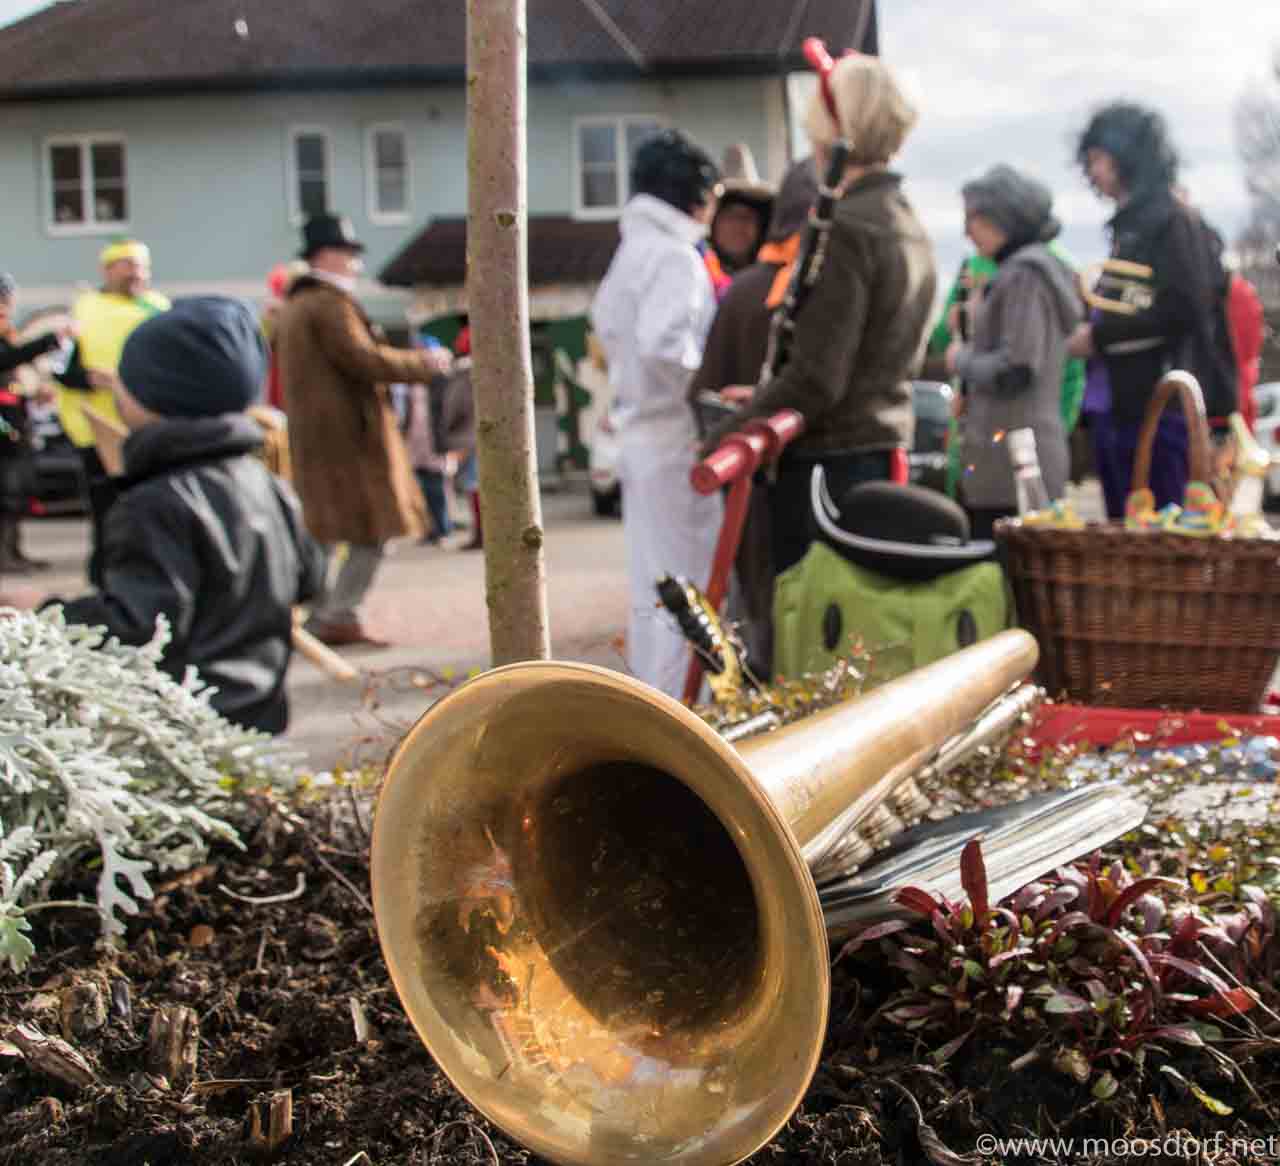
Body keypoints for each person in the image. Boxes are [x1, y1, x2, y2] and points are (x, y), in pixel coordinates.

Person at [701, 51, 937, 576]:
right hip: (877, 452)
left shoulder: (848, 227)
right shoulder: (907, 221)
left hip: (827, 469)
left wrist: (724, 436)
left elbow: (816, 380)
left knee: (816, 641)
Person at [53, 297, 325, 734]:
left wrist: (54, 621)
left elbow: (138, 625)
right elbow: (310, 578)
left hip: (187, 724)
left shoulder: (154, 502)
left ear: (160, 395)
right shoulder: (265, 483)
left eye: (126, 378)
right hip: (260, 715)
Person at [590, 128, 723, 697]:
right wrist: (717, 390)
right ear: (695, 197)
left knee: (652, 582)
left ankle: (657, 700)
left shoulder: (630, 251)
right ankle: (681, 706)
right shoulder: (674, 257)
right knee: (686, 584)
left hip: (641, 435)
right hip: (675, 436)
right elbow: (668, 348)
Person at [274, 213, 448, 647]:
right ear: (327, 256)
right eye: (349, 255)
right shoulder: (328, 303)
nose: (354, 264)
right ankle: (337, 614)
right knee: (374, 530)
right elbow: (363, 359)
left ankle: (320, 613)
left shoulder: (298, 305)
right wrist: (424, 364)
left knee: (331, 531)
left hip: (323, 438)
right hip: (350, 440)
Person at [1066, 102, 1235, 517]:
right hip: (1125, 405)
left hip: (1156, 410)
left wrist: (1099, 336)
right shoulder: (1136, 223)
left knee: (1158, 533)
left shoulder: (1170, 221)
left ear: (1127, 156)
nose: (1092, 172)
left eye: (1098, 159)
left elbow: (1184, 308)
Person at [688, 157, 820, 675]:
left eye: (751, 221)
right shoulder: (749, 291)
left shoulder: (752, 289)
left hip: (778, 477)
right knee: (763, 594)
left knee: (771, 593)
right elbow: (703, 393)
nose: (740, 230)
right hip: (758, 477)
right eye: (731, 220)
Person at [942, 165, 1083, 538]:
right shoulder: (1021, 273)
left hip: (1015, 469)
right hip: (1011, 464)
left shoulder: (1024, 276)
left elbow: (1017, 368)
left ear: (999, 218)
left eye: (971, 218)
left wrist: (961, 359)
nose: (965, 231)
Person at [56, 238, 170, 584]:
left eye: (142, 267)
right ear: (108, 270)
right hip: (97, 430)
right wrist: (90, 378)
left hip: (149, 428)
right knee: (108, 510)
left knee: (154, 507)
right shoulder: (84, 309)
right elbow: (61, 369)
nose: (137, 274)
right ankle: (106, 580)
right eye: (129, 266)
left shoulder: (158, 308)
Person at [0, 273, 72, 577]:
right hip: (2, 424)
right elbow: (5, 360)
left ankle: (13, 551)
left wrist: (32, 392)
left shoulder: (7, 330)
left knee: (17, 490)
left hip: (14, 417)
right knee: (6, 490)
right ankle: (4, 556)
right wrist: (50, 340)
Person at [705, 144, 775, 287]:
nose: (738, 226)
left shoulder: (775, 280)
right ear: (712, 223)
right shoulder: (698, 277)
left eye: (746, 217)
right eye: (730, 217)